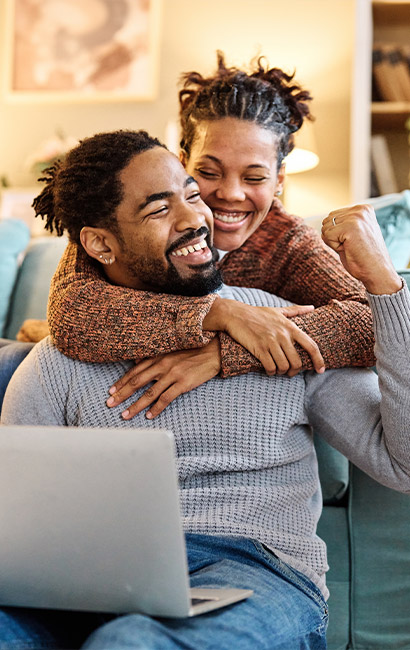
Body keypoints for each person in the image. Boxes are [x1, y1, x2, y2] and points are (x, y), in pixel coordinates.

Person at [2, 129, 410, 650]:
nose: (197, 217)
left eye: (191, 195)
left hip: (255, 570)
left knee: (133, 643)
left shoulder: (282, 326)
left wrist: (385, 286)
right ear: (100, 244)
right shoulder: (64, 351)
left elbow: (404, 464)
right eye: (159, 209)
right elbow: (14, 521)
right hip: (91, 581)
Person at [36, 52, 375, 420]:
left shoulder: (287, 243)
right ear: (181, 163)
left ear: (279, 182)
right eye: (209, 172)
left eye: (255, 177)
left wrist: (222, 351)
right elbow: (73, 314)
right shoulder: (127, 232)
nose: (230, 193)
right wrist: (223, 313)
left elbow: (374, 325)